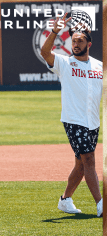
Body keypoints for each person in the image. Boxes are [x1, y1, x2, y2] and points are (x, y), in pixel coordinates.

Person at [40, 13, 102, 217]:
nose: (75, 44)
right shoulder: (64, 64)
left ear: (89, 44)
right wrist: (55, 31)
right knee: (90, 159)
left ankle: (65, 200)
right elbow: (44, 52)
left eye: (80, 40)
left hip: (93, 121)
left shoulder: (99, 66)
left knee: (81, 165)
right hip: (73, 120)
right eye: (73, 40)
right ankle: (101, 204)